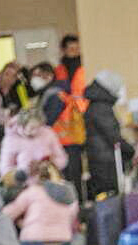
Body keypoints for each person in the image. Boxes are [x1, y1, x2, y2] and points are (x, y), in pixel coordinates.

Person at [3, 161, 80, 245]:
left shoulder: (34, 191)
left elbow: (8, 214)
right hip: (63, 241)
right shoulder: (69, 192)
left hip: (35, 241)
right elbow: (73, 215)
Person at [32, 62, 85, 201]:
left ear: (49, 76)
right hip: (65, 143)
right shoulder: (51, 94)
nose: (34, 79)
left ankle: (73, 211)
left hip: (65, 144)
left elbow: (47, 121)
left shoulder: (55, 95)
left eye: (37, 75)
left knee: (67, 181)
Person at [83, 70, 134, 197]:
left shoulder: (96, 104)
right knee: (111, 197)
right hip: (107, 162)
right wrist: (130, 150)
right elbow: (112, 135)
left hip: (99, 158)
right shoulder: (101, 107)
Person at [0, 106, 68, 178]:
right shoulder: (11, 140)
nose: (35, 131)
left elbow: (62, 157)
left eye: (38, 127)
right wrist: (25, 171)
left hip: (49, 179)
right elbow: (5, 170)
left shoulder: (47, 133)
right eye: (32, 128)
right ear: (22, 125)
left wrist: (50, 165)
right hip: (25, 184)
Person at [55, 34, 86, 100]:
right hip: (69, 103)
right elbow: (61, 91)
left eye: (77, 48)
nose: (75, 52)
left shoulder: (85, 64)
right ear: (64, 50)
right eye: (72, 49)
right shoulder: (60, 69)